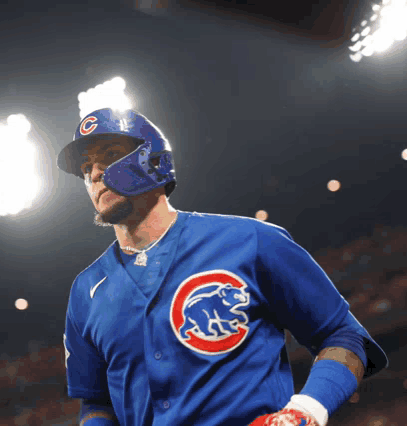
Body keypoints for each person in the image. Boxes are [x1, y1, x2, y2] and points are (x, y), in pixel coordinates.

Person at [57, 108, 388, 426]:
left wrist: (306, 410)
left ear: (153, 160)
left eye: (110, 154)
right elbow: (96, 402)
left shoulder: (253, 240)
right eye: (86, 167)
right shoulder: (85, 290)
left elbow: (344, 336)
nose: (95, 173)